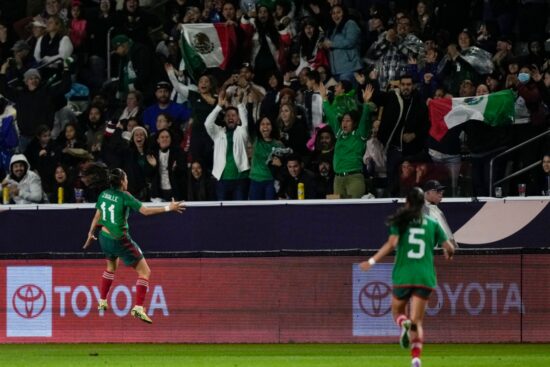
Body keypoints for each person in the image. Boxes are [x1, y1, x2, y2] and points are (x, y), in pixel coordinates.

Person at [359, 187, 455, 367]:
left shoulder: (401, 223)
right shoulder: (433, 223)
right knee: (417, 322)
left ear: (408, 203)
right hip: (425, 277)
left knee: (397, 312)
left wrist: (371, 261)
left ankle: (403, 322)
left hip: (404, 276)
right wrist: (448, 253)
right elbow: (449, 247)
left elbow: (391, 245)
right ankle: (416, 359)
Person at [83, 166, 185, 324]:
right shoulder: (125, 196)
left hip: (104, 237)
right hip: (119, 238)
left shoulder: (104, 194)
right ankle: (138, 307)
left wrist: (90, 234)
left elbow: (97, 216)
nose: (127, 181)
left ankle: (102, 300)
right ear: (122, 181)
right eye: (126, 178)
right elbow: (145, 211)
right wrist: (168, 208)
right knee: (145, 272)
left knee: (111, 267)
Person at [423, 180, 457, 249]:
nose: (441, 194)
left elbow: (447, 234)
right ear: (427, 193)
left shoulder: (437, 210)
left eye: (442, 191)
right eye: (437, 191)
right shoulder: (420, 209)